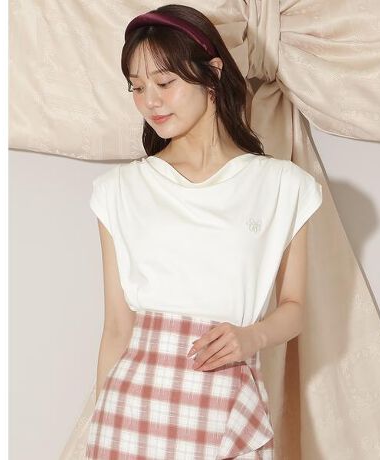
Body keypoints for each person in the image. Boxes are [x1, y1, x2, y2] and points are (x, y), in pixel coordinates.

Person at [85, 4, 322, 459]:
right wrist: (99, 432)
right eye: (137, 87)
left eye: (164, 82)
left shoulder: (283, 186)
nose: (150, 101)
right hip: (131, 412)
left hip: (225, 400)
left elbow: (294, 308)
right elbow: (116, 327)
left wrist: (251, 337)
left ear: (212, 73)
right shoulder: (119, 190)